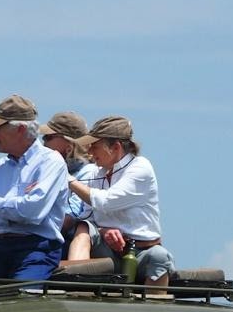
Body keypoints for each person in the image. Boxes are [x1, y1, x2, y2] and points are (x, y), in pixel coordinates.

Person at [0, 94, 69, 280]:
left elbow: (31, 212)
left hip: (37, 249)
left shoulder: (51, 161)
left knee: (20, 301)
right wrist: (15, 218)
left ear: (20, 129)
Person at [66, 115, 175, 287]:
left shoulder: (140, 167)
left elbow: (105, 201)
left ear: (115, 147)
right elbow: (87, 215)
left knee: (160, 257)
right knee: (84, 228)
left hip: (140, 252)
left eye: (95, 146)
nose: (90, 152)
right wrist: (103, 231)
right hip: (107, 250)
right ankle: (74, 285)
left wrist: (69, 181)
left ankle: (154, 308)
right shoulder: (96, 172)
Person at [38, 111, 100, 258]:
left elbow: (70, 218)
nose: (43, 142)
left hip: (63, 242)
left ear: (69, 143)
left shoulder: (89, 172)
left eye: (49, 137)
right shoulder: (48, 171)